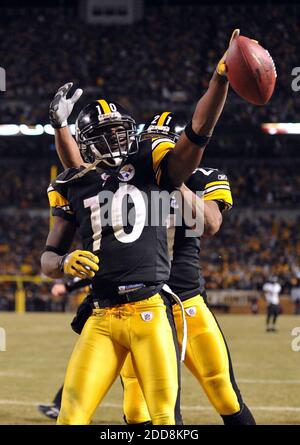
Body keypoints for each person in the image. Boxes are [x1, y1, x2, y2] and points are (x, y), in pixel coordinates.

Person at [41, 30, 234, 425]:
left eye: (119, 131)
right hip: (101, 314)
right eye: (105, 134)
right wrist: (63, 263)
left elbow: (197, 133)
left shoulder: (152, 166)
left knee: (164, 419)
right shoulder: (73, 183)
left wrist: (220, 79)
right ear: (87, 142)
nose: (116, 140)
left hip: (150, 308)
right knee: (72, 416)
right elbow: (48, 254)